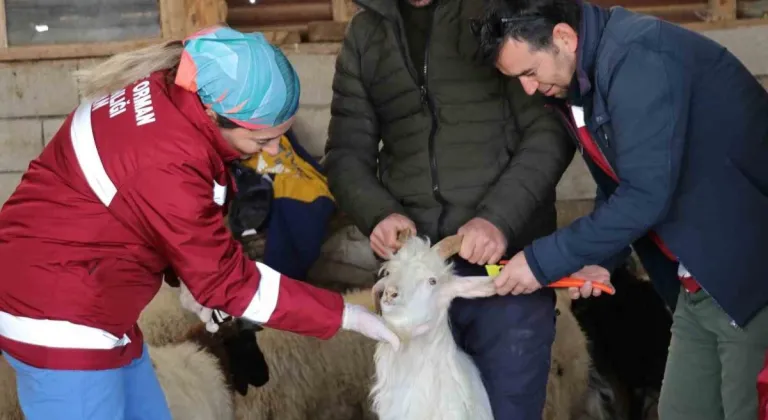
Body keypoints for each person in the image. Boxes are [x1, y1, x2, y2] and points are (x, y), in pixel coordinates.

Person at [0, 25, 399, 420]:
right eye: (262, 141)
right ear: (214, 113)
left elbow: (143, 214)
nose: (276, 152)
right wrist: (343, 314)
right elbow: (229, 281)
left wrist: (190, 277)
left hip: (100, 297)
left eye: (280, 136)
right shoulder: (169, 159)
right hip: (60, 318)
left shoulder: (172, 94)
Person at [471, 0, 768, 419]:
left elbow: (646, 194)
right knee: (681, 410)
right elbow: (617, 185)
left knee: (747, 409)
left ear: (563, 38)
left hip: (749, 276)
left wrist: (540, 263)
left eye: (529, 73)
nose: (528, 89)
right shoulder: (584, 84)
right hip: (698, 283)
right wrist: (601, 261)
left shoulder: (637, 59)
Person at [323, 0, 575, 418]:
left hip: (502, 275)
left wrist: (498, 219)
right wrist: (378, 213)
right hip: (414, 276)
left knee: (507, 408)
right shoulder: (366, 34)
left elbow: (548, 131)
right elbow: (346, 152)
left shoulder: (498, 11)